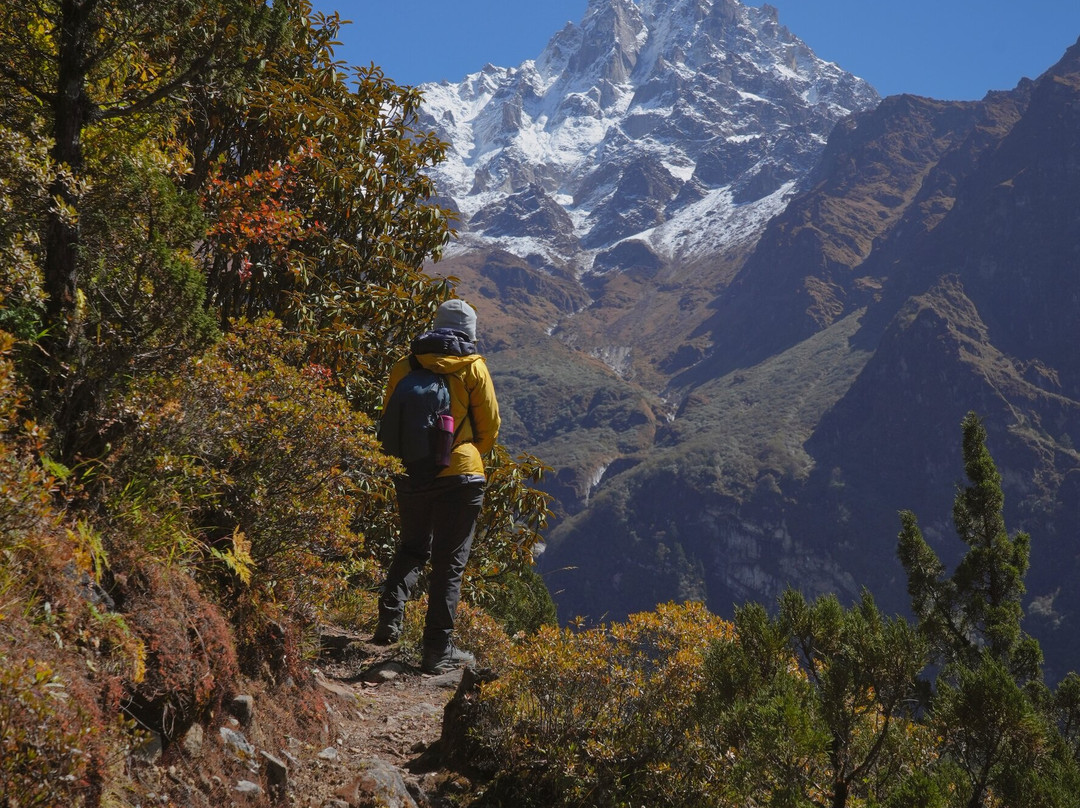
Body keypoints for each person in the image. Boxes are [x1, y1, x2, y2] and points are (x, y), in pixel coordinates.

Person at [373, 299, 501, 674]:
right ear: (470, 333)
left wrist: (420, 460)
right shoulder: (472, 366)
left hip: (410, 471)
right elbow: (490, 425)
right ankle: (437, 651)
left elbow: (388, 419)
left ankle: (388, 622)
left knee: (412, 547)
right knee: (449, 565)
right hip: (460, 477)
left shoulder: (405, 365)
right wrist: (462, 456)